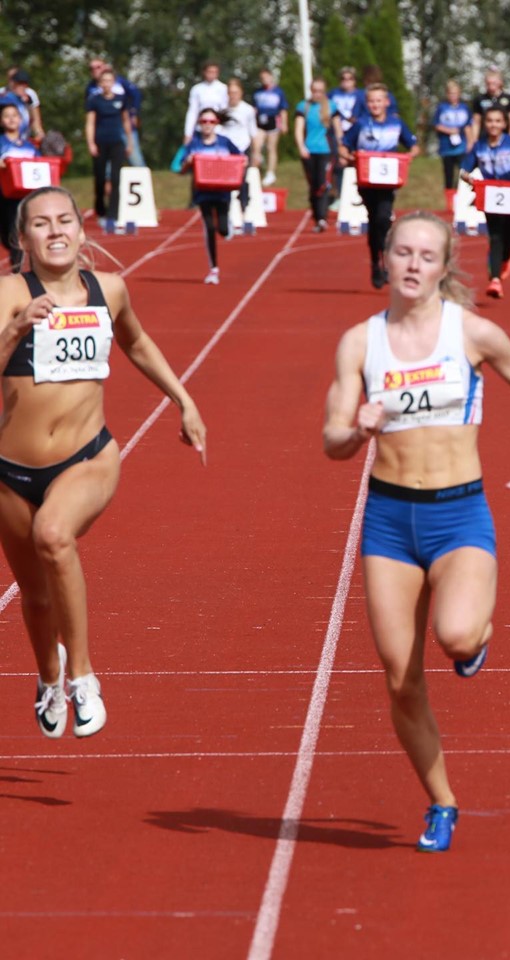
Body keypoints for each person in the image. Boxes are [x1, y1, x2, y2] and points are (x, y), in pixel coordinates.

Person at [322, 210, 510, 851]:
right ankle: (442, 800)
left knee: (455, 635)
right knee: (401, 680)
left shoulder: (471, 332)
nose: (414, 265)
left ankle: (475, 638)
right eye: (403, 253)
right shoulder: (360, 343)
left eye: (427, 256)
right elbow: (331, 440)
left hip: (458, 514)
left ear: (444, 267)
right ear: (385, 259)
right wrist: (357, 429)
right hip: (389, 521)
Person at [0, 186, 207, 737]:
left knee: (53, 535)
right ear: (23, 239)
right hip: (11, 472)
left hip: (87, 456)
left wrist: (183, 401)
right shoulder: (9, 292)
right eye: (40, 223)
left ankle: (83, 676)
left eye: (64, 219)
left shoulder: (108, 289)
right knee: (35, 597)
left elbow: (136, 343)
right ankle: (49, 677)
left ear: (81, 228)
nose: (55, 230)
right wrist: (16, 328)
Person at [339, 83, 419, 289]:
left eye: (379, 100)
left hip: (388, 181)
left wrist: (408, 157)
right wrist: (350, 157)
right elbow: (344, 146)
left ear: (386, 102)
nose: (375, 105)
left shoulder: (396, 123)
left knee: (383, 217)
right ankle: (376, 261)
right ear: (367, 104)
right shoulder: (361, 124)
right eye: (371, 101)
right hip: (366, 181)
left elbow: (413, 146)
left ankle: (385, 259)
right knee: (374, 220)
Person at [460, 106, 510, 299]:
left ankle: (505, 259)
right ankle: (495, 280)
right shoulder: (479, 146)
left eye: (497, 121)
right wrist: (469, 179)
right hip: (490, 196)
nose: (493, 125)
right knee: (495, 236)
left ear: (504, 124)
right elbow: (464, 170)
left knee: (509, 238)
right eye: (489, 121)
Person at [181, 106, 246, 285]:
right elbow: (181, 168)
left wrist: (243, 162)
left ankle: (227, 224)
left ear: (216, 123)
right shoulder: (194, 144)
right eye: (204, 121)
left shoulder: (224, 142)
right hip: (203, 192)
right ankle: (213, 269)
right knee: (209, 227)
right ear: (199, 124)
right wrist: (188, 162)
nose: (207, 124)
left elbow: (241, 158)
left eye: (211, 121)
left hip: (223, 191)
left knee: (223, 230)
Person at [84, 67, 133, 228]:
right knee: (99, 178)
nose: (106, 84)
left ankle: (113, 215)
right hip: (100, 142)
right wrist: (91, 143)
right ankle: (100, 209)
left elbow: (126, 121)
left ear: (114, 82)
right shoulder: (94, 100)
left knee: (116, 178)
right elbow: (90, 123)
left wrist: (130, 142)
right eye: (104, 81)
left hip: (116, 142)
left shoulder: (121, 99)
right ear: (100, 83)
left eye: (109, 81)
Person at [0, 101, 40, 271]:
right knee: (6, 234)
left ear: (21, 119)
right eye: (7, 116)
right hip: (4, 196)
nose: (11, 119)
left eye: (15, 115)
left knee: (18, 231)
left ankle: (19, 270)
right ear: (1, 120)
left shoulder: (29, 146)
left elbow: (40, 166)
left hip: (24, 197)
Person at [294, 78, 333, 232]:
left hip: (326, 150)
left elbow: (338, 129)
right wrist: (301, 147)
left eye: (320, 91)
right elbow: (298, 129)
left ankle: (322, 217)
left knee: (323, 184)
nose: (317, 94)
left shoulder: (331, 106)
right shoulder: (303, 107)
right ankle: (317, 216)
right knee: (314, 185)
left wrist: (341, 147)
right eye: (314, 91)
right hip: (309, 151)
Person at [87, 59, 143, 167]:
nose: (94, 70)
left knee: (135, 160)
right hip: (104, 132)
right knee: (107, 167)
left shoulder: (120, 81)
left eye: (98, 67)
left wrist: (134, 113)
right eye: (91, 68)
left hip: (122, 128)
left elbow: (136, 94)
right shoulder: (91, 88)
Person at [219, 78, 257, 219]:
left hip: (242, 148)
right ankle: (226, 213)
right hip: (227, 151)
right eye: (231, 93)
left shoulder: (248, 110)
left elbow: (253, 132)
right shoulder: (222, 110)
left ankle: (244, 211)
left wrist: (256, 153)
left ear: (241, 93)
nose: (233, 96)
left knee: (242, 180)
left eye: (236, 92)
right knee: (226, 182)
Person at [432, 80, 472, 212]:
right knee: (448, 174)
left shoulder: (464, 108)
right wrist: (450, 131)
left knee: (463, 173)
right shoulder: (442, 108)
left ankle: (461, 199)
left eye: (455, 93)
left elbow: (468, 126)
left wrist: (470, 143)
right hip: (446, 148)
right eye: (450, 93)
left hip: (462, 147)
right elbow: (436, 125)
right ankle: (449, 203)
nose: (453, 96)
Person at [252, 69, 288, 187]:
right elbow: (254, 108)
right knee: (256, 146)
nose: (265, 80)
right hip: (260, 121)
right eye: (262, 78)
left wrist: (284, 123)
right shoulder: (257, 92)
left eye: (266, 77)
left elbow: (283, 109)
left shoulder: (278, 92)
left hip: (273, 121)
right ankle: (257, 167)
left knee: (271, 147)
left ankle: (270, 173)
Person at [330, 67, 361, 204]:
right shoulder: (333, 94)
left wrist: (356, 119)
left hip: (356, 133)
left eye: (350, 78)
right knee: (339, 163)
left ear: (354, 80)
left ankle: (359, 194)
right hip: (338, 133)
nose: (346, 81)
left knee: (357, 163)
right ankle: (339, 195)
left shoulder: (361, 95)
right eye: (343, 78)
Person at [183, 62, 228, 144]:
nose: (211, 74)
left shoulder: (223, 88)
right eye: (209, 72)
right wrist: (188, 133)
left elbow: (224, 110)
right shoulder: (197, 89)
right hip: (200, 128)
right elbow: (192, 112)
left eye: (214, 72)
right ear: (204, 72)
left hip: (217, 129)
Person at [470, 68, 510, 141]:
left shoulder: (508, 98)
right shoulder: (479, 99)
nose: (491, 86)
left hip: (504, 138)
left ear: (500, 82)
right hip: (485, 138)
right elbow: (476, 122)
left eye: (494, 83)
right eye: (488, 83)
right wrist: (474, 140)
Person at [1, 68, 43, 139]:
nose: (23, 87)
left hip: (23, 138)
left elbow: (35, 120)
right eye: (20, 84)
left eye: (24, 84)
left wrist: (39, 133)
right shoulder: (3, 97)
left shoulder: (28, 96)